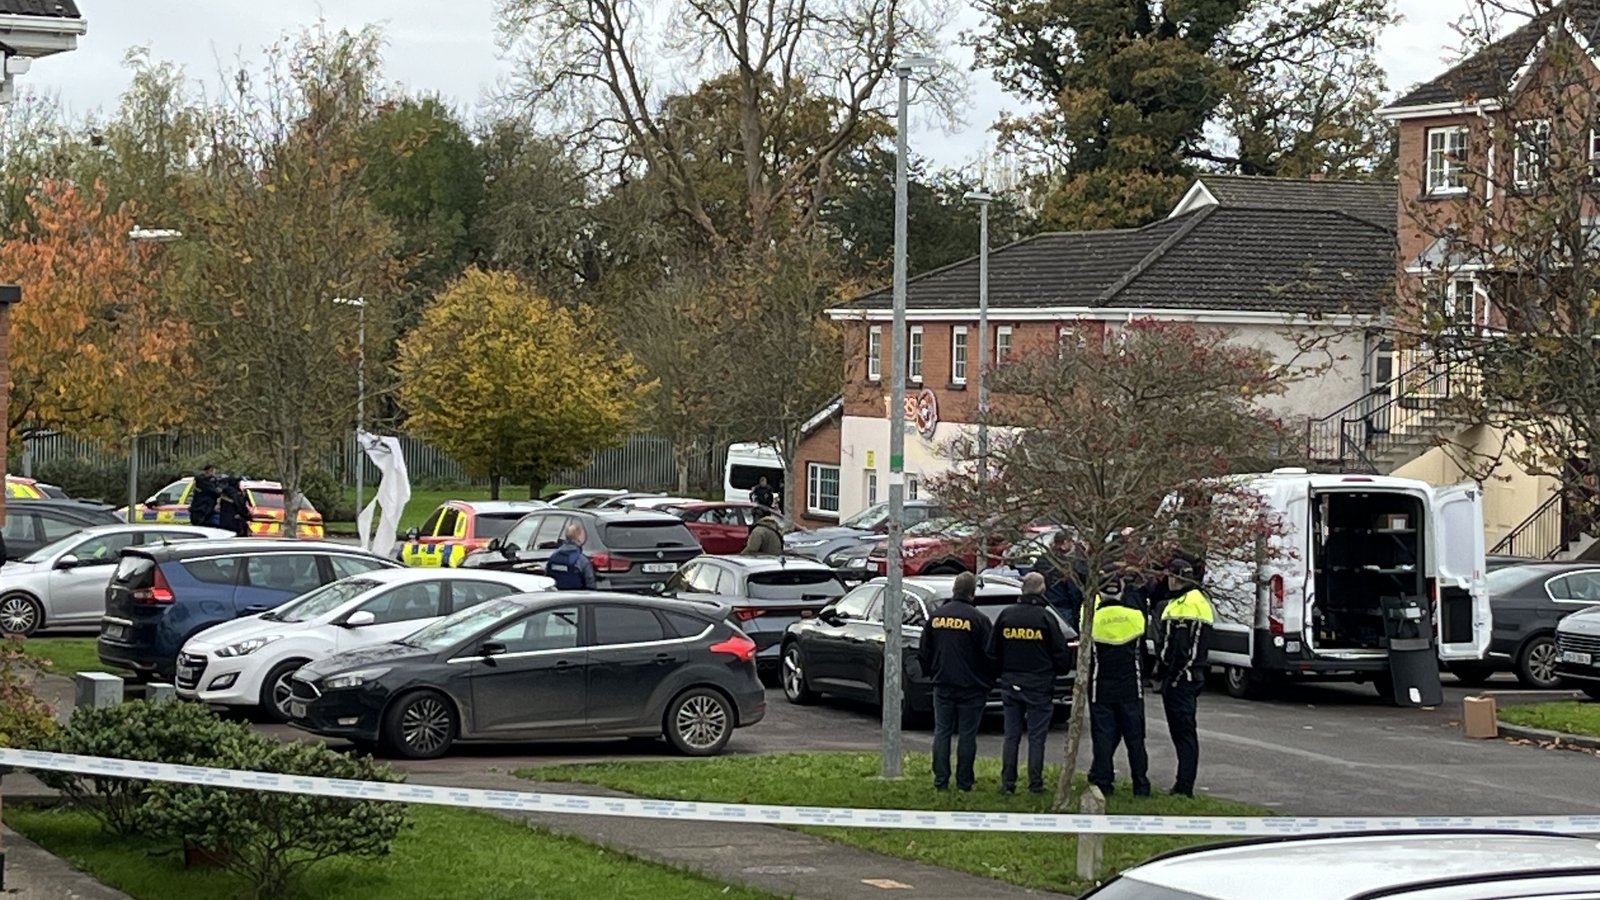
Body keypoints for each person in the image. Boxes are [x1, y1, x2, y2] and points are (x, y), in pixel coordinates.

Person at [988, 572, 1072, 795]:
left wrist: (1001, 675)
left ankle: (1007, 784)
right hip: (1039, 685)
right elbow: (1061, 654)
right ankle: (1035, 783)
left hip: (1011, 683)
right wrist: (1057, 672)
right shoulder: (1046, 618)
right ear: (1042, 591)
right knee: (1037, 737)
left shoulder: (1006, 616)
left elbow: (992, 651)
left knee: (1011, 736)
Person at [917, 572, 993, 792]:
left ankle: (940, 780)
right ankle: (964, 782)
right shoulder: (978, 619)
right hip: (972, 686)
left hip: (943, 683)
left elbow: (924, 650)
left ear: (954, 590)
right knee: (967, 735)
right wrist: (987, 680)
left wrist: (933, 673)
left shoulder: (937, 616)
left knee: (942, 732)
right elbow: (989, 654)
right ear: (972, 592)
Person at [1087, 575, 1151, 797]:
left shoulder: (1090, 619)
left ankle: (1103, 782)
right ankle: (1141, 784)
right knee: (1135, 738)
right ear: (1121, 592)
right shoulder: (1135, 617)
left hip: (1101, 685)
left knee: (1103, 738)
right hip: (1130, 686)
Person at [1158, 558, 1214, 797]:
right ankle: (1183, 782)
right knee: (1182, 732)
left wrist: (1174, 677)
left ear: (1178, 577)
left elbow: (1184, 650)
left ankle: (1184, 785)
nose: (1168, 580)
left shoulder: (1188, 604)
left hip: (1183, 678)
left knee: (1184, 732)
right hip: (1185, 676)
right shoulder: (1187, 600)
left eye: (1171, 576)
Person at [1033, 532, 1085, 628]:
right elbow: (1073, 590)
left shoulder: (1043, 559)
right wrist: (1076, 610)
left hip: (1045, 604)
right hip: (1063, 606)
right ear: (1065, 542)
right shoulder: (1066, 563)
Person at [546, 522, 597, 589]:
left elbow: (547, 577)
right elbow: (590, 584)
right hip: (575, 597)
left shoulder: (553, 556)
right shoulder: (581, 560)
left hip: (556, 596)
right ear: (579, 538)